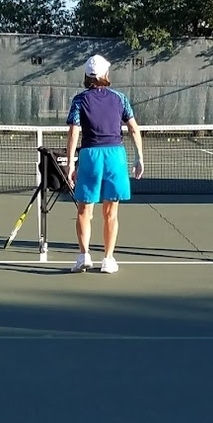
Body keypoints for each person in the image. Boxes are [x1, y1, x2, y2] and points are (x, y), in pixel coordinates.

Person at [65, 55, 145, 274]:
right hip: (115, 157)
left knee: (84, 210)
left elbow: (73, 132)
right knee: (111, 212)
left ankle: (84, 257)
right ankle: (108, 260)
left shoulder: (79, 100)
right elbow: (134, 129)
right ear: (104, 75)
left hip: (90, 155)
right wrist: (139, 158)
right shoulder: (120, 98)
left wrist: (71, 164)